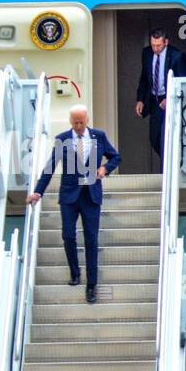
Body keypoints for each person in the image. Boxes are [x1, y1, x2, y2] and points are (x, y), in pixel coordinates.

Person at [26, 105, 120, 304]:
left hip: (91, 195)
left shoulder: (98, 136)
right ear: (71, 122)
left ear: (87, 120)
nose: (78, 126)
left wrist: (105, 168)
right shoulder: (62, 139)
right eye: (75, 122)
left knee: (91, 240)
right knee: (68, 235)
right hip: (69, 195)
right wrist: (38, 191)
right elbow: (50, 167)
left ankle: (91, 285)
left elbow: (115, 156)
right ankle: (75, 273)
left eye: (81, 122)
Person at [134, 28, 186, 160]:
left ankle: (171, 162)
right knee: (154, 138)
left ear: (166, 42)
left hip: (170, 99)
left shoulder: (177, 56)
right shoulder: (147, 53)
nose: (155, 48)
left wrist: (170, 97)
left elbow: (183, 81)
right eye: (153, 45)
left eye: (158, 45)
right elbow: (144, 78)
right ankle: (168, 161)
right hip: (154, 100)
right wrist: (140, 99)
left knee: (168, 136)